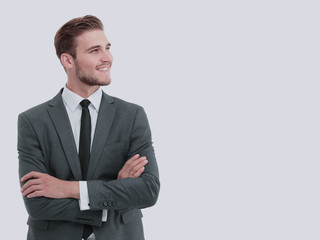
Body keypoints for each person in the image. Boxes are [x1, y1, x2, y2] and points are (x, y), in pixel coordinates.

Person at [18, 15, 160, 240]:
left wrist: (68, 189)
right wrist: (114, 195)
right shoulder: (33, 121)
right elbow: (37, 204)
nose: (107, 58)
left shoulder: (132, 115)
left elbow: (148, 191)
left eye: (107, 48)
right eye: (95, 50)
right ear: (68, 61)